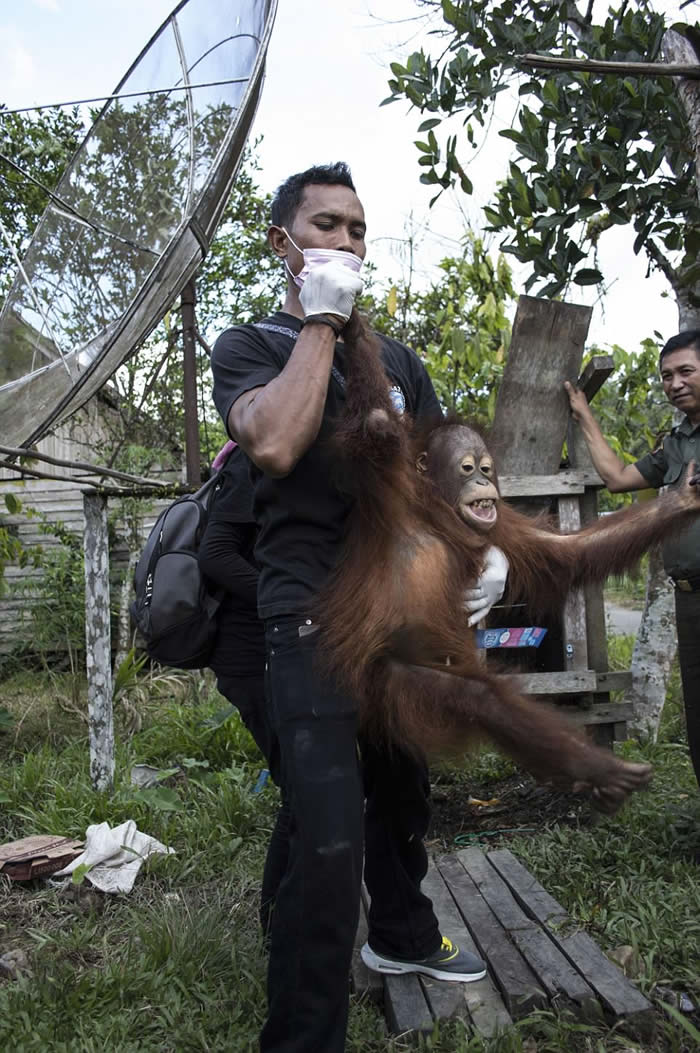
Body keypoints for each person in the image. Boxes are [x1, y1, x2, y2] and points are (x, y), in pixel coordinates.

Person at [210, 162, 506, 1053]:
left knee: (406, 794)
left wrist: (477, 546)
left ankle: (403, 937)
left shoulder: (402, 364)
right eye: (328, 226)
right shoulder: (251, 346)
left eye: (359, 231)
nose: (349, 243)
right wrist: (322, 320)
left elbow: (444, 477)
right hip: (306, 618)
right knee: (329, 842)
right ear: (283, 244)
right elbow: (273, 442)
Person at [565, 329, 700, 791]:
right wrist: (584, 414)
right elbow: (620, 479)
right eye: (666, 376)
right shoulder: (679, 441)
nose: (674, 383)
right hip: (688, 594)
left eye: (686, 371)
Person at [198, 443, 289, 937]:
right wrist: (284, 598)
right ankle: (278, 928)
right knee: (301, 786)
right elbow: (215, 554)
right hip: (248, 654)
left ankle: (290, 918)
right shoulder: (247, 458)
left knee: (305, 783)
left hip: (274, 647)